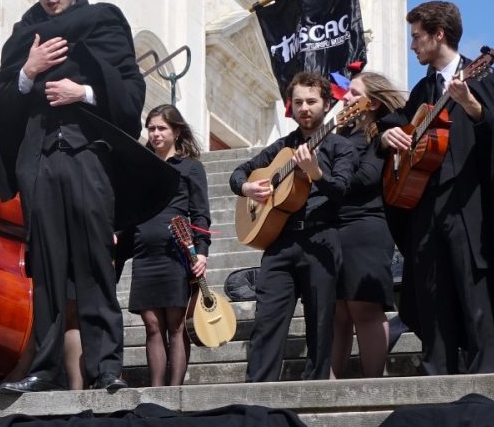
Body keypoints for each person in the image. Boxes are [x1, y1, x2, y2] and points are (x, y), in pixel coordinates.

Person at [0, 0, 177, 394]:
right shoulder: (23, 37)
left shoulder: (102, 21)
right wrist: (28, 71)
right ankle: (45, 368)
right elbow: (1, 101)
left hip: (88, 156)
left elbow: (131, 90)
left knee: (95, 263)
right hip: (38, 161)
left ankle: (106, 367)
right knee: (46, 268)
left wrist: (84, 92)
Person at [382, 1, 494, 375]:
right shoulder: (423, 88)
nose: (412, 45)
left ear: (438, 34)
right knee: (430, 292)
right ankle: (435, 375)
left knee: (473, 291)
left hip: (468, 200)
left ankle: (483, 377)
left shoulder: (484, 76)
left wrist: (471, 105)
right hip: (426, 203)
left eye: (417, 36)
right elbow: (398, 122)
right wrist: (387, 135)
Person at [230, 71, 358, 383]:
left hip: (320, 239)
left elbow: (341, 192)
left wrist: (316, 173)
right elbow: (239, 173)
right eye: (298, 102)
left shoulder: (341, 147)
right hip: (279, 241)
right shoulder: (282, 146)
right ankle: (257, 394)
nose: (304, 108)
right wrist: (247, 188)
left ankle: (315, 391)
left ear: (327, 104)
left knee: (320, 324)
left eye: (311, 101)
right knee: (266, 322)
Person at [119, 104, 211, 387]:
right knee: (152, 326)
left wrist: (202, 252)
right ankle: (157, 389)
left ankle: (174, 390)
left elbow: (201, 214)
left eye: (162, 128)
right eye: (151, 128)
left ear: (176, 131)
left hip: (175, 254)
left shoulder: (190, 167)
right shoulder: (140, 166)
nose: (155, 134)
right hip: (144, 254)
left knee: (176, 325)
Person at [330, 71, 407, 381]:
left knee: (364, 307)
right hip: (334, 224)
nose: (345, 96)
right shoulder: (340, 134)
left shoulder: (382, 132)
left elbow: (366, 178)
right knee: (337, 312)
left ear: (372, 102)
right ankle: (327, 390)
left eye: (353, 92)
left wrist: (324, 178)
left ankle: (372, 385)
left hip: (365, 225)